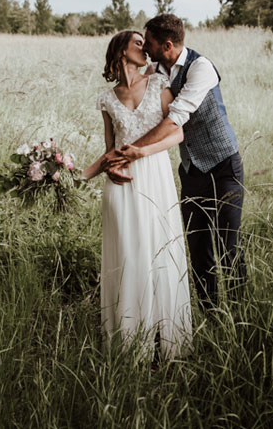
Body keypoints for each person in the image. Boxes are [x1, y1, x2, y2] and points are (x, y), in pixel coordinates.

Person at [108, 14, 246, 312]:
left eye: (150, 43)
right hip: (191, 171)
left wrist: (131, 150)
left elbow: (175, 120)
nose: (145, 48)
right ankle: (211, 313)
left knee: (228, 246)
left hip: (223, 166)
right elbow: (133, 91)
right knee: (198, 249)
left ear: (167, 45)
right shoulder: (155, 69)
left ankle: (240, 315)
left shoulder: (202, 68)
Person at [81, 30, 192, 360]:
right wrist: (74, 177)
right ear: (121, 52)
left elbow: (177, 133)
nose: (147, 48)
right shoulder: (107, 99)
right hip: (122, 186)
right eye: (139, 43)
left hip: (154, 176)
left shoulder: (158, 85)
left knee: (157, 253)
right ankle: (131, 343)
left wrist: (143, 153)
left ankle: (165, 341)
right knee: (128, 257)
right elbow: (110, 151)